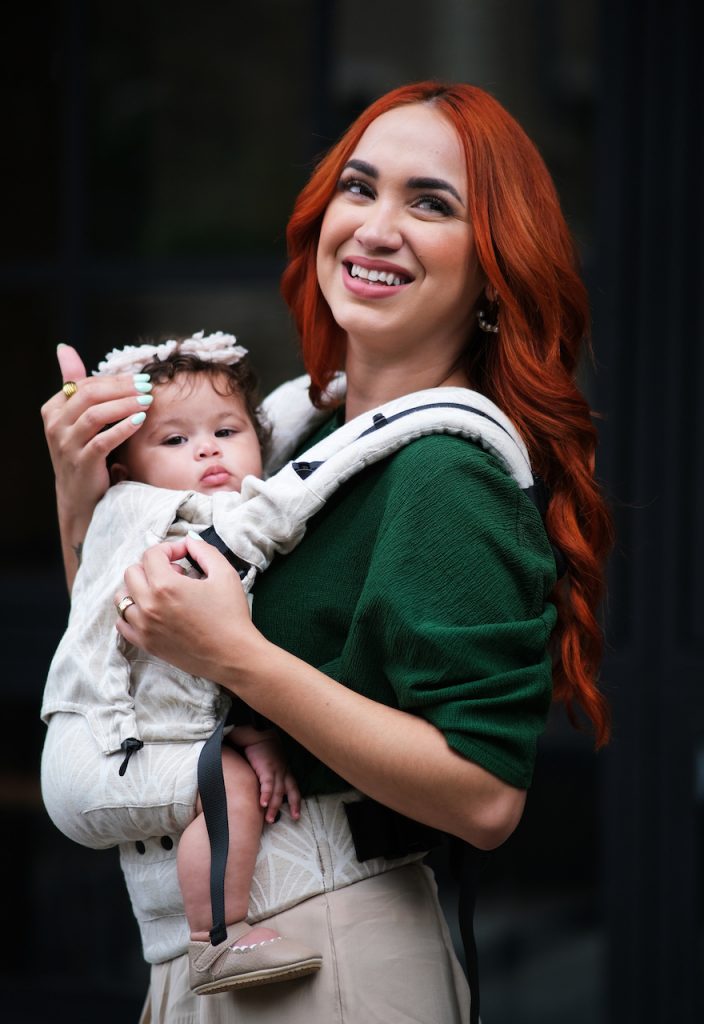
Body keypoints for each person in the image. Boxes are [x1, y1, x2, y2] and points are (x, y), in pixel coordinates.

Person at [41, 81, 612, 1024]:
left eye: (431, 204)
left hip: (326, 956)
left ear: (495, 269)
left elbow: (485, 798)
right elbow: (133, 667)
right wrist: (85, 499)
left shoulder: (445, 472)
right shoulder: (288, 441)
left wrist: (240, 657)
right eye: (360, 187)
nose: (377, 228)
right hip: (214, 955)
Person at [41, 332, 324, 995]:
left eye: (226, 430)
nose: (206, 449)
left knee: (223, 779)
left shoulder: (205, 505)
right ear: (124, 471)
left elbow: (284, 414)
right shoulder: (147, 515)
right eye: (174, 440)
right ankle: (216, 940)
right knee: (227, 786)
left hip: (128, 742)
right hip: (94, 746)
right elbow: (188, 646)